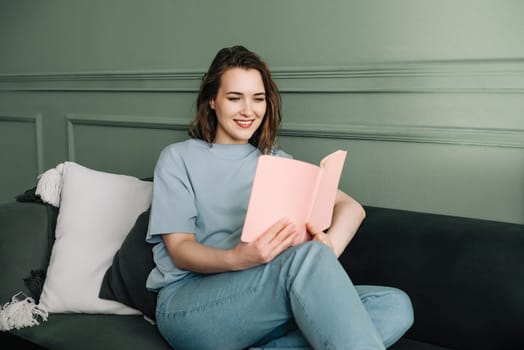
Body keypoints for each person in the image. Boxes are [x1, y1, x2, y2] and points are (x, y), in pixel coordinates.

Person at [146, 45, 414, 350]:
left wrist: (329, 248)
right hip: (191, 305)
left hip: (268, 303)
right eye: (235, 98)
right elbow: (180, 249)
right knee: (305, 262)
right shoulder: (178, 158)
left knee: (394, 304)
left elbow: (351, 207)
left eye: (257, 99)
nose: (248, 111)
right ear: (212, 100)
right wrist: (237, 258)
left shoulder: (276, 161)